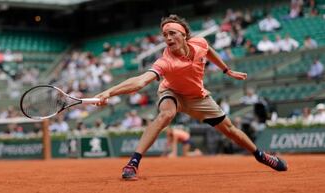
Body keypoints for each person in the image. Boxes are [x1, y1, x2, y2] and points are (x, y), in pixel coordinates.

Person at [94, 14, 287, 180]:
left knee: (230, 130)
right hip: (172, 93)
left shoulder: (200, 43)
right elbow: (140, 81)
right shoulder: (166, 61)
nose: (168, 38)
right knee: (165, 115)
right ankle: (133, 163)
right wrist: (109, 92)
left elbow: (209, 50)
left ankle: (261, 156)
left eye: (172, 33)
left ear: (184, 35)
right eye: (164, 35)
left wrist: (226, 70)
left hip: (198, 97)